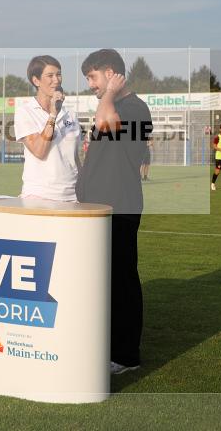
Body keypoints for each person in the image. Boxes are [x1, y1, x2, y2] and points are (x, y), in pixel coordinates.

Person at [75, 49, 152, 375]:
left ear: (111, 73)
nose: (91, 85)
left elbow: (110, 124)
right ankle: (106, 345)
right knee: (104, 279)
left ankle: (125, 355)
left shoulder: (135, 108)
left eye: (93, 77)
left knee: (121, 279)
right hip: (100, 205)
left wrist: (106, 96)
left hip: (119, 205)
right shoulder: (115, 105)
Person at [13, 55, 80, 201]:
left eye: (59, 74)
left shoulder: (71, 114)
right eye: (50, 75)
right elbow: (39, 151)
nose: (56, 80)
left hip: (72, 197)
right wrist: (53, 114)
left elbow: (74, 158)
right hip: (39, 196)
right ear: (36, 80)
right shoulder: (25, 112)